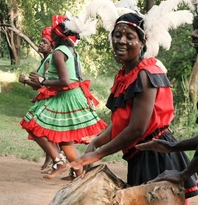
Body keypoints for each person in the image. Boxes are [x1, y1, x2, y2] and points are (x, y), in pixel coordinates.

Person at [68, 12, 198, 200]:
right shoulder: (126, 76)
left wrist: (98, 154)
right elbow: (122, 122)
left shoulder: (145, 75)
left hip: (155, 156)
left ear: (143, 42)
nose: (121, 40)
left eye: (130, 37)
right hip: (141, 154)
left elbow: (137, 129)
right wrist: (96, 143)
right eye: (117, 35)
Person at [20, 14, 107, 180]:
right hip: (71, 96)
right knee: (65, 141)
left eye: (53, 32)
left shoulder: (59, 52)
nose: (51, 34)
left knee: (32, 123)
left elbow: (65, 81)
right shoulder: (71, 50)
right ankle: (79, 176)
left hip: (66, 98)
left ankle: (59, 162)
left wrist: (42, 81)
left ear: (58, 35)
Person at [19, 26, 59, 172]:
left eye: (44, 42)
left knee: (37, 128)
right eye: (40, 41)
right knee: (45, 131)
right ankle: (52, 158)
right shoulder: (47, 59)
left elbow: (44, 83)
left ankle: (56, 159)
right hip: (44, 99)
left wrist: (25, 81)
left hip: (49, 100)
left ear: (51, 45)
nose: (40, 44)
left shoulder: (50, 59)